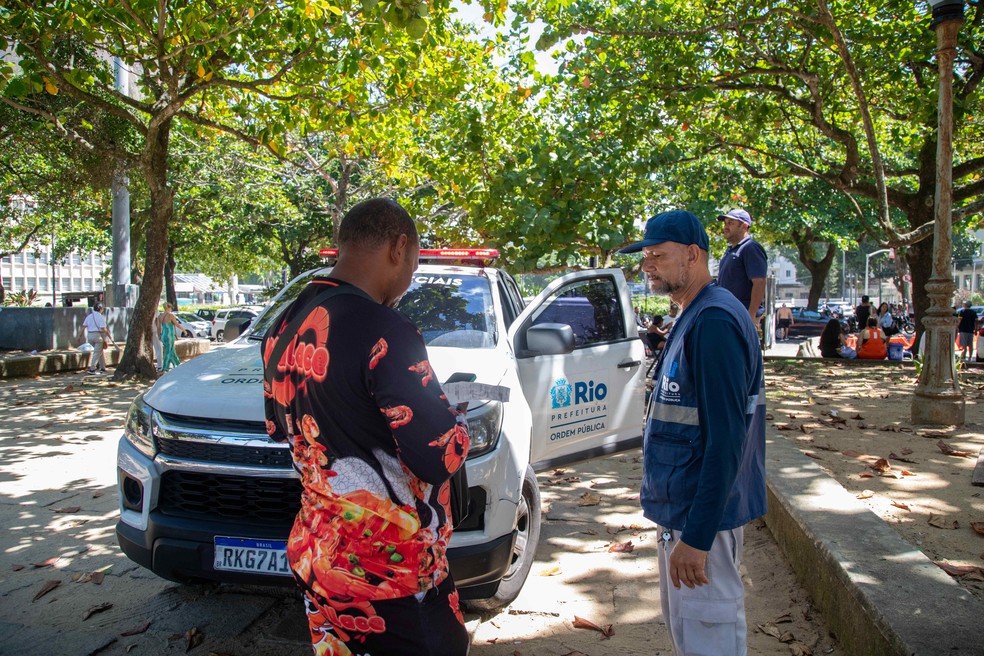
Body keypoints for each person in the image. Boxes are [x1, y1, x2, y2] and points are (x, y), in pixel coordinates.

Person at [261, 198, 470, 655]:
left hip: (318, 554)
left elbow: (281, 428)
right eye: (415, 261)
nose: (411, 277)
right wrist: (460, 423)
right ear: (399, 248)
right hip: (390, 573)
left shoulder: (285, 326)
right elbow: (438, 457)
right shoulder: (387, 330)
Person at [619, 209, 766, 656]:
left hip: (702, 523)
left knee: (709, 639)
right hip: (683, 514)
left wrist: (697, 537)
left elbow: (726, 442)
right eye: (645, 256)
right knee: (692, 635)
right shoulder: (693, 313)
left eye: (658, 256)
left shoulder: (715, 322)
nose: (647, 266)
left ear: (693, 255)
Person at [716, 208, 767, 326]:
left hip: (742, 316)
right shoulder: (730, 250)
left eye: (731, 223)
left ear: (744, 226)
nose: (726, 227)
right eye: (725, 223)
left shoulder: (751, 248)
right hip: (729, 314)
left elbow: (759, 282)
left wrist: (751, 314)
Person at [78, 303, 115, 374]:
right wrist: (110, 337)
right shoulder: (100, 317)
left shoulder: (89, 316)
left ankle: (103, 367)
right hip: (98, 335)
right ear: (100, 309)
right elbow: (104, 329)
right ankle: (92, 369)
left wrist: (79, 336)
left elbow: (83, 327)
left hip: (89, 336)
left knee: (99, 351)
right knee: (97, 352)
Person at [158, 303, 182, 371]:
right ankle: (165, 366)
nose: (171, 309)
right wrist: (184, 330)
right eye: (171, 307)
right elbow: (177, 324)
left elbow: (159, 328)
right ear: (168, 308)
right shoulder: (171, 315)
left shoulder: (160, 316)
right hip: (169, 335)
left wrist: (159, 335)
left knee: (171, 349)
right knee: (168, 351)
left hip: (163, 335)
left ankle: (177, 363)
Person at [152, 306, 164, 372]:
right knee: (159, 348)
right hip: (155, 331)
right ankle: (160, 365)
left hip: (148, 331)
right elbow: (158, 323)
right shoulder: (155, 310)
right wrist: (159, 333)